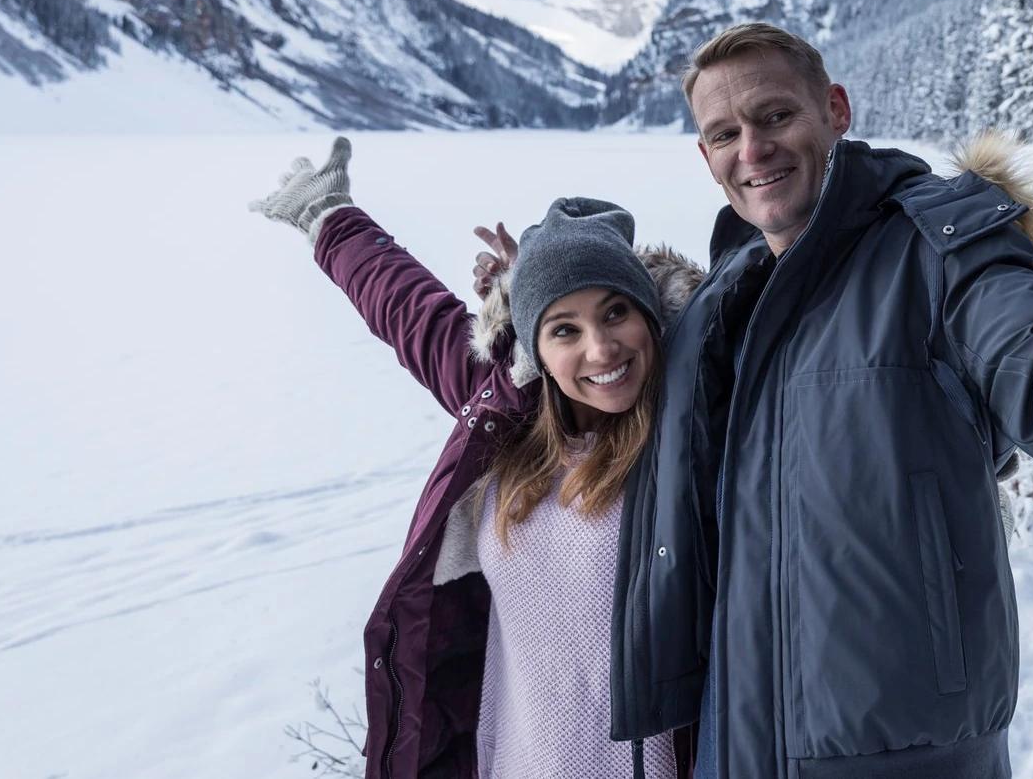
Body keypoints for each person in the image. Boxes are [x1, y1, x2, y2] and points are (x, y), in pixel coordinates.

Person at [585, 23, 1033, 779]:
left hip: (897, 757)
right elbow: (598, 390)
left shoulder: (940, 250)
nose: (752, 149)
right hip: (727, 745)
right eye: (725, 133)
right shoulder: (719, 303)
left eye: (775, 117)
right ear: (706, 158)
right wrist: (535, 300)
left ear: (835, 109)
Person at [250, 140, 702, 779]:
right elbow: (414, 314)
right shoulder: (507, 423)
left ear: (651, 317)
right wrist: (330, 219)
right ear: (535, 348)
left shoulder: (694, 433)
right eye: (565, 328)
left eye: (616, 312)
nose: (601, 348)